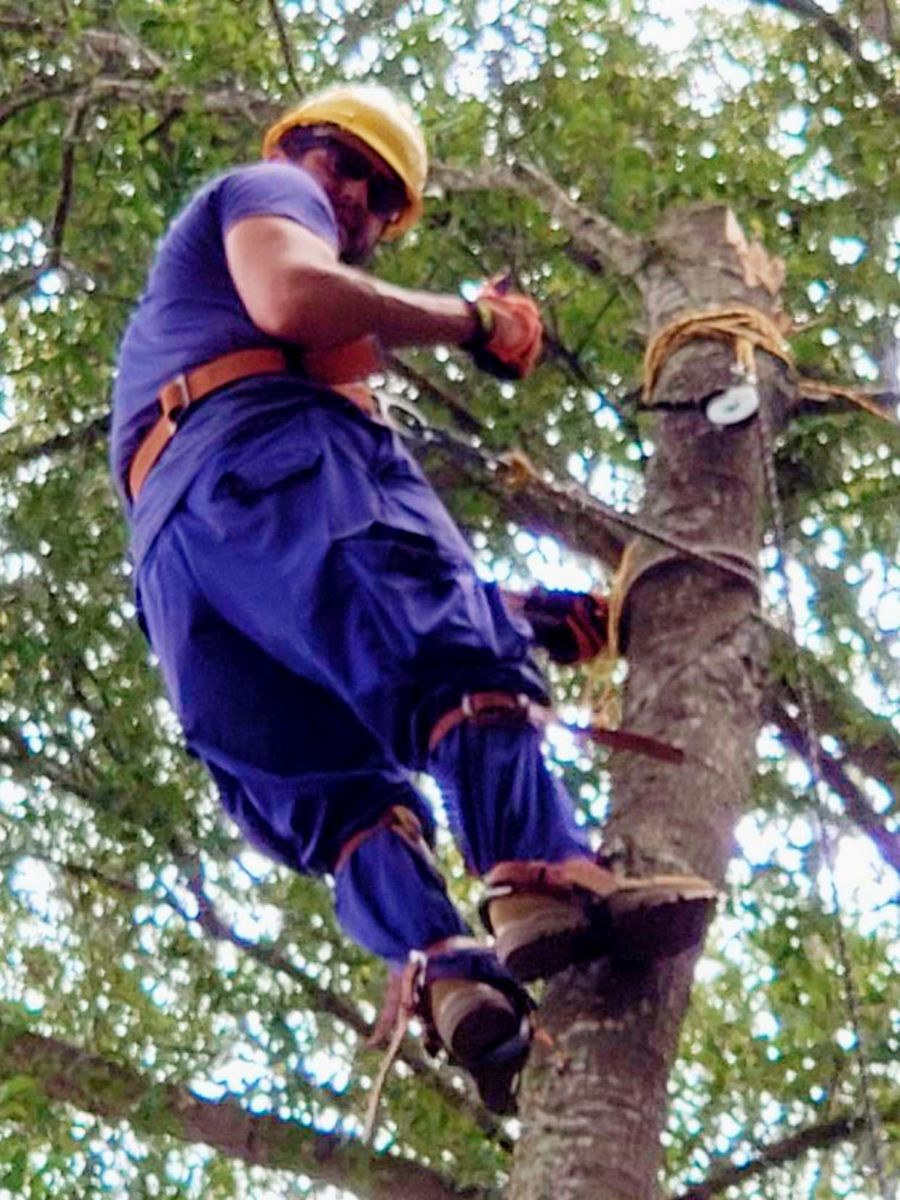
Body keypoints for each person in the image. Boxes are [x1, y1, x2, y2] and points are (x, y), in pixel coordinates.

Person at [111, 83, 714, 1113]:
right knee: (457, 666)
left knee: (349, 800)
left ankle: (447, 966)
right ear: (293, 151)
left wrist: (519, 611)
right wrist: (473, 321)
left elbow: (332, 584)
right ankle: (536, 870)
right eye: (335, 162)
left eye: (377, 194)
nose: (346, 194)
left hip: (184, 582)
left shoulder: (211, 355)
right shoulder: (263, 194)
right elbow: (296, 304)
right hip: (258, 466)